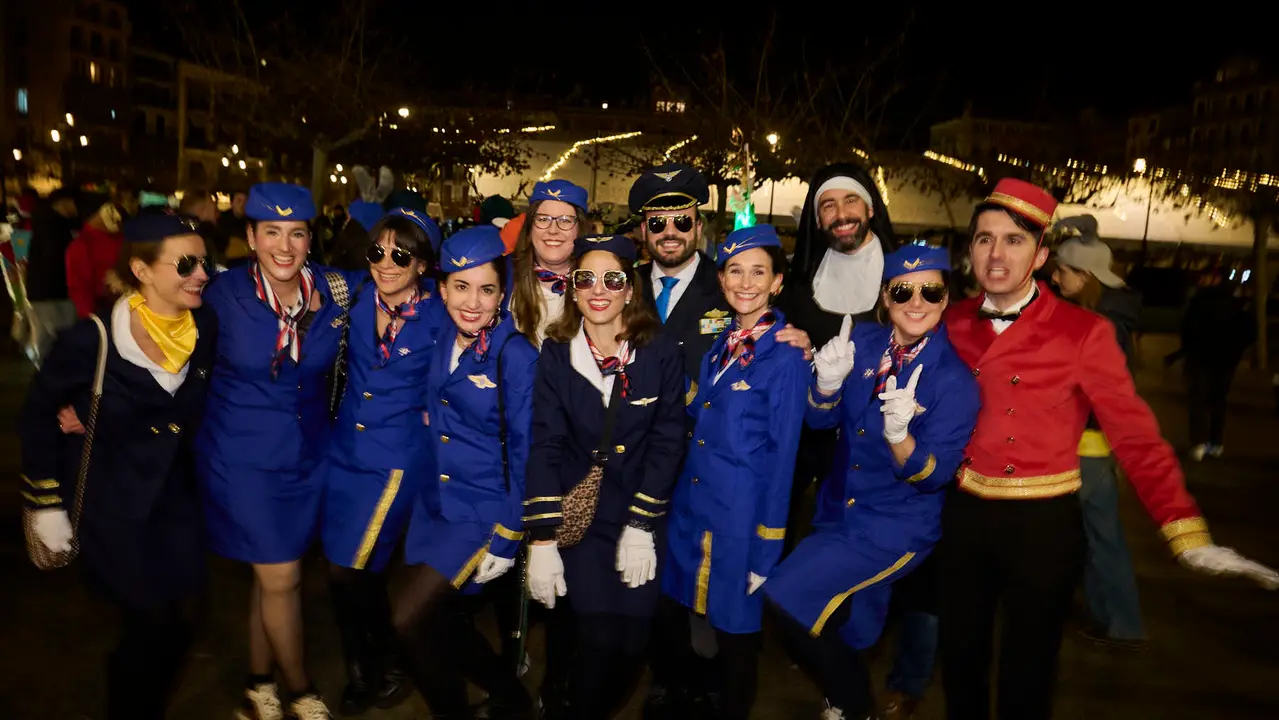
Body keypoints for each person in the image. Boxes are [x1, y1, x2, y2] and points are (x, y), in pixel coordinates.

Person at [940, 178, 1279, 720]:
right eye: (984, 239)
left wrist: (1184, 529)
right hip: (961, 515)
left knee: (1028, 674)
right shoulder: (950, 321)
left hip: (1043, 521)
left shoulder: (1083, 332)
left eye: (1013, 240)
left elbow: (1136, 436)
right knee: (959, 665)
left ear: (1041, 256)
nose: (996, 254)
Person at [765, 242, 980, 720]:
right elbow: (821, 421)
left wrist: (900, 437)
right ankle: (843, 699)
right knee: (854, 624)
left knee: (786, 596)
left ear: (946, 298)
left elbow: (933, 476)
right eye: (903, 291)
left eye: (930, 291)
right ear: (885, 297)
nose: (916, 302)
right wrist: (825, 385)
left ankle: (854, 703)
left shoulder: (954, 381)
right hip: (839, 509)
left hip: (894, 528)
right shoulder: (861, 341)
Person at [22, 213, 215, 719]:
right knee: (148, 624)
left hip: (175, 505)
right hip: (112, 510)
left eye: (205, 263)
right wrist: (46, 502)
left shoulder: (205, 326)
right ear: (142, 269)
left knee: (180, 625)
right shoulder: (94, 339)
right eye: (186, 265)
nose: (202, 274)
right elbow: (38, 412)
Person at [197, 182, 364, 720]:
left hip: (309, 455)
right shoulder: (220, 294)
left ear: (311, 238)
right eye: (271, 232)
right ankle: (301, 690)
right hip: (241, 458)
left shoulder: (335, 290)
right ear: (250, 237)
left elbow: (409, 283)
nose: (284, 247)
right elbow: (151, 327)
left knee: (271, 573)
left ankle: (258, 684)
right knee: (282, 576)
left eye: (296, 233)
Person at [523, 234, 687, 719]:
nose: (599, 290)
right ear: (572, 289)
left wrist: (640, 524)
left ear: (630, 290)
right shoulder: (556, 353)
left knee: (632, 642)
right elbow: (546, 444)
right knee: (595, 638)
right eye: (586, 279)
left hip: (640, 513)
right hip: (584, 518)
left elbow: (668, 438)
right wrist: (542, 540)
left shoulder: (658, 350)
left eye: (613, 279)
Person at [656, 225, 810, 719]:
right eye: (735, 271)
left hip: (741, 522)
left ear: (777, 282)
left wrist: (768, 545)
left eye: (758, 272)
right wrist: (654, 369)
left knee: (737, 635)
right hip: (695, 508)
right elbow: (704, 407)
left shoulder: (786, 356)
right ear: (721, 281)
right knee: (692, 623)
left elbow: (784, 458)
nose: (746, 283)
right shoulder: (725, 341)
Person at [394, 225, 538, 720]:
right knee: (442, 622)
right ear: (442, 289)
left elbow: (528, 453)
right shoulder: (442, 336)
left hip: (483, 511)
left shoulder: (516, 355)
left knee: (407, 620)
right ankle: (512, 697)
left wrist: (508, 535)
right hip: (436, 506)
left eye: (486, 289)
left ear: (503, 292)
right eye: (460, 286)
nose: (472, 302)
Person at [318, 208, 445, 714]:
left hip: (397, 459)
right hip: (343, 451)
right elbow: (293, 274)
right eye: (377, 251)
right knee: (346, 570)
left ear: (423, 265)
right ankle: (373, 662)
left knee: (349, 571)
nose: (386, 263)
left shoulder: (442, 315)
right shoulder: (352, 296)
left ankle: (375, 665)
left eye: (401, 255)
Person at [776, 162, 899, 554]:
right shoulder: (798, 283)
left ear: (871, 208)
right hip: (805, 436)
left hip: (874, 444)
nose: (841, 214)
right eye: (828, 205)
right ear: (817, 219)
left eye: (850, 201)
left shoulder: (905, 283)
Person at [1050, 215, 1147, 649]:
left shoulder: (1100, 327)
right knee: (1099, 537)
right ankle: (1120, 622)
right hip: (1095, 447)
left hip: (1082, 449)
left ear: (1086, 275)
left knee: (1087, 538)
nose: (1056, 278)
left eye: (1062, 271)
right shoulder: (1111, 319)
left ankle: (1118, 622)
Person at [628, 164, 733, 382]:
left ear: (698, 228)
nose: (670, 233)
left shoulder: (730, 287)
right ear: (645, 230)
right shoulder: (622, 286)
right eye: (657, 223)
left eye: (682, 222)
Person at [510, 180, 590, 346]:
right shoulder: (505, 279)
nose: (553, 230)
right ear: (530, 227)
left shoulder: (598, 286)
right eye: (543, 219)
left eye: (565, 220)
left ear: (580, 229)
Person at [24, 188, 80, 363]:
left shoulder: (48, 223)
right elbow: (55, 258)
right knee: (55, 338)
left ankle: (43, 370)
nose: (77, 207)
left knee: (45, 338)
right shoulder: (53, 226)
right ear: (64, 203)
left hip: (44, 291)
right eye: (74, 202)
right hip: (52, 292)